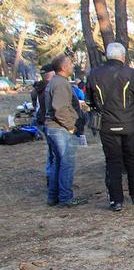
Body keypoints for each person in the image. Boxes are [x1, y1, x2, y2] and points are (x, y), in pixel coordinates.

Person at [86, 43, 134, 212]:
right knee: (133, 159)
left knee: (113, 162)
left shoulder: (94, 74)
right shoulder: (133, 74)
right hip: (130, 124)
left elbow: (89, 101)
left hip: (107, 125)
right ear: (122, 56)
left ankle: (116, 200)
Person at [44, 55, 87, 208]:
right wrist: (70, 126)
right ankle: (65, 198)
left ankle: (53, 196)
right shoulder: (60, 83)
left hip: (54, 128)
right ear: (63, 67)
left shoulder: (55, 82)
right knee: (66, 164)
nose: (71, 65)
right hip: (60, 129)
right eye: (69, 63)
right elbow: (60, 108)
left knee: (57, 163)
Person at [31, 64, 56, 182]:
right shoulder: (49, 88)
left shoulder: (37, 88)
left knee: (51, 150)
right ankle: (52, 177)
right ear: (50, 74)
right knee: (54, 151)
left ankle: (50, 174)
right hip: (48, 121)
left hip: (41, 120)